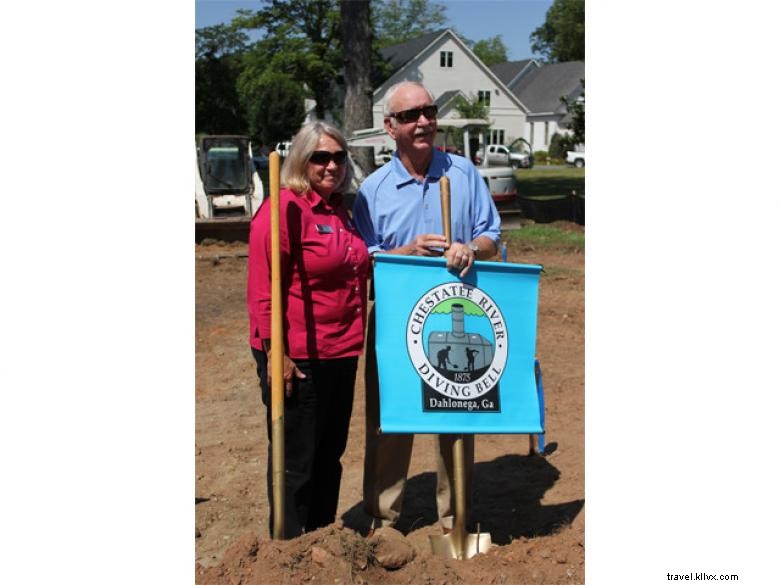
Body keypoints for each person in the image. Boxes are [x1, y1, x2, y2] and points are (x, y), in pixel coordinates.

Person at [352, 80, 501, 534]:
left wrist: (470, 247)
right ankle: (384, 520)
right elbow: (363, 259)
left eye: (430, 112)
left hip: (454, 312)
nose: (424, 122)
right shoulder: (372, 191)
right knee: (390, 419)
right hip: (396, 321)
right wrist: (407, 251)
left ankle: (455, 518)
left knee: (455, 415)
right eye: (413, 115)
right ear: (390, 126)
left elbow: (493, 235)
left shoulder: (463, 174)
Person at [246, 121, 370, 538]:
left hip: (340, 351)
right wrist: (274, 353)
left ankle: (321, 540)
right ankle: (288, 550)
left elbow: (358, 266)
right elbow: (263, 290)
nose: (331, 165)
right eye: (320, 157)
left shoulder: (338, 210)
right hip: (297, 355)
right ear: (302, 160)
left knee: (329, 455)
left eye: (338, 156)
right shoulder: (284, 209)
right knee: (296, 460)